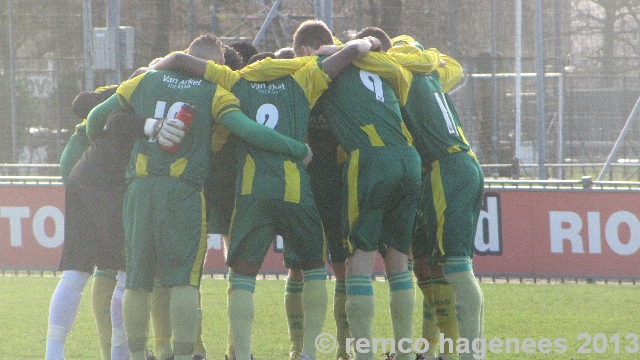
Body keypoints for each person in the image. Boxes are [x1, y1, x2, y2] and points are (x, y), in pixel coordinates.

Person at [152, 34, 382, 360]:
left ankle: (240, 354)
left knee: (242, 275)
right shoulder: (302, 76)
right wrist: (369, 42)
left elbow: (177, 60)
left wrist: (152, 72)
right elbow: (348, 53)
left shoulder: (235, 79)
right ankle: (307, 354)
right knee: (314, 269)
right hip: (296, 191)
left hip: (251, 192)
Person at [87, 33, 311, 360]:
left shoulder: (144, 82)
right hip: (184, 192)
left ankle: (137, 355)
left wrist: (115, 139)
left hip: (140, 189)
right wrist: (297, 149)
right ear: (213, 65)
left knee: (138, 279)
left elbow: (95, 119)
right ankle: (185, 355)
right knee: (183, 282)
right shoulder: (214, 92)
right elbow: (248, 130)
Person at [291, 20, 427, 360]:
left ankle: (361, 352)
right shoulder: (381, 67)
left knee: (357, 262)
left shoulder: (324, 66)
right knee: (399, 260)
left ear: (307, 51)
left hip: (370, 160)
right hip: (409, 160)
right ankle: (405, 352)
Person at [46, 82, 155, 360]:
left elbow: (85, 104)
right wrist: (149, 125)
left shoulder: (134, 87)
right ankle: (120, 353)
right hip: (103, 181)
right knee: (125, 269)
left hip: (84, 172)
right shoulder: (141, 88)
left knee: (78, 272)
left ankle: (54, 353)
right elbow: (106, 115)